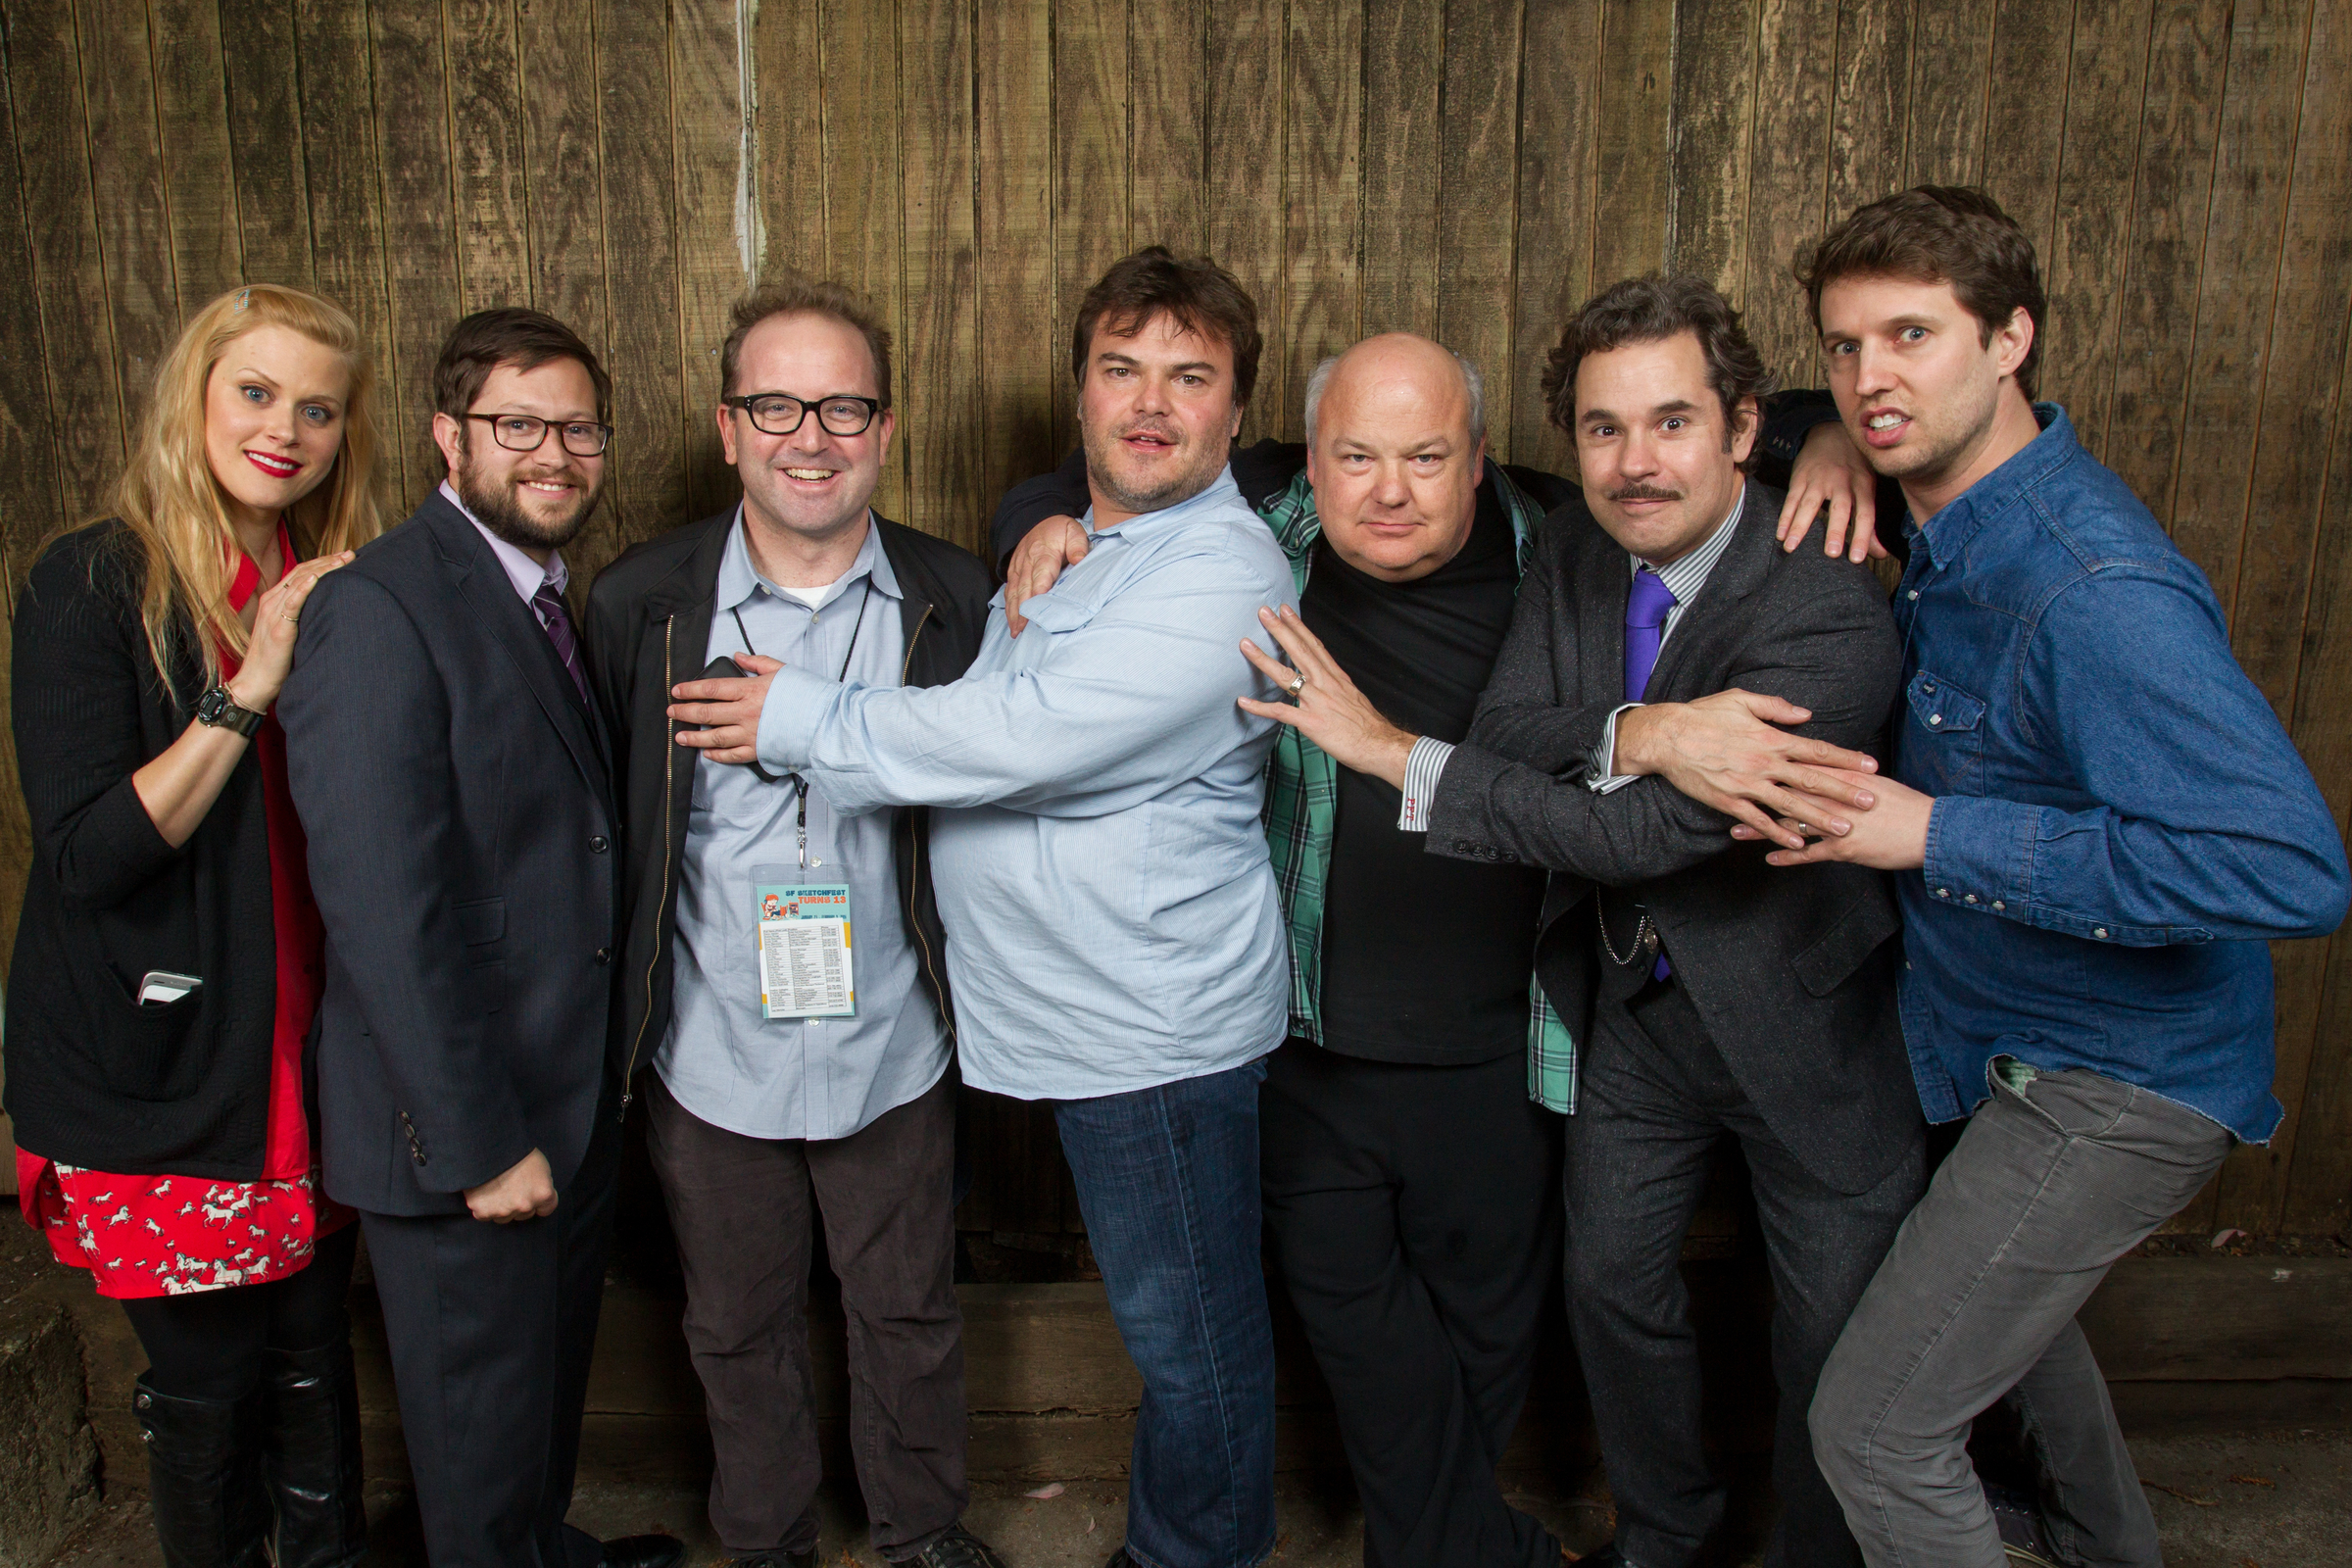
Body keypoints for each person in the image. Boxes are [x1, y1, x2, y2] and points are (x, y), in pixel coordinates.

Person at [1241, 276, 1925, 1568]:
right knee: (1612, 1295)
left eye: (1671, 423)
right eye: (1605, 429)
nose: (1634, 460)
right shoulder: (1571, 546)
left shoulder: (1827, 604)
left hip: (1801, 1026)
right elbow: (1515, 737)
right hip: (1633, 1015)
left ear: (1744, 430)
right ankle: (1663, 1544)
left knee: (1831, 1333)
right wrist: (1647, 730)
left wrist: (1386, 748)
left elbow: (1636, 836)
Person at [1729, 185, 2352, 1568]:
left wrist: (1931, 834)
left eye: (1912, 337)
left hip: (2119, 1079)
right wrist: (1830, 428)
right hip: (1997, 1049)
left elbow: (2290, 868)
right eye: (1845, 346)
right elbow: (1735, 408)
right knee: (2014, 1371)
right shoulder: (1943, 500)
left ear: (2011, 340)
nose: (1872, 377)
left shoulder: (2088, 584)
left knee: (1880, 1434)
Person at [665, 245, 1295, 1568]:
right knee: (1182, 1338)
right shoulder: (1090, 542)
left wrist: (793, 713)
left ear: (1240, 411)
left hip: (1155, 1037)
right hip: (1077, 1025)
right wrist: (1046, 516)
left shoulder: (1225, 573)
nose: (1150, 402)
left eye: (1191, 378)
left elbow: (1016, 734)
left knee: (1198, 1353)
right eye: (1121, 370)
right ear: (1079, 393)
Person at [582, 276, 1004, 1568]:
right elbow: (603, 822)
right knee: (732, 1322)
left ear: (884, 429)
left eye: (841, 406)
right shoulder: (641, 604)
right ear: (727, 426)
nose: (807, 436)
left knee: (910, 1313)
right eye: (775, 404)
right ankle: (764, 1544)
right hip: (710, 1050)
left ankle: (922, 1534)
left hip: (896, 1040)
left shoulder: (957, 597)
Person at [278, 309, 681, 1568]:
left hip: (554, 1100)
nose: (553, 452)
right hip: (464, 1132)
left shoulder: (546, 598)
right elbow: (385, 908)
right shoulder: (381, 610)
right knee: (477, 1447)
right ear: (448, 437)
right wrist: (477, 1141)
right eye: (518, 425)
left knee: (529, 1429)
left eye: (576, 427)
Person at [6, 283, 379, 1568]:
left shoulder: (333, 582)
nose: (286, 429)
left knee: (313, 1359)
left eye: (318, 408)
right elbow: (90, 854)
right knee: (212, 1381)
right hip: (162, 1068)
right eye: (258, 392)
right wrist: (250, 684)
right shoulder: (98, 580)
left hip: (308, 1051)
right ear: (196, 397)